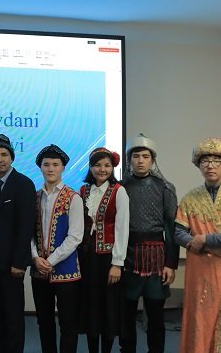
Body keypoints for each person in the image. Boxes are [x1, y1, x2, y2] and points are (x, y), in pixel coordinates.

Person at [174, 137, 221, 352]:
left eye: (216, 161)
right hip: (202, 268)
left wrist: (205, 239)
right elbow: (178, 233)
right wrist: (206, 246)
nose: (210, 165)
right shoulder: (190, 198)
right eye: (205, 161)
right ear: (199, 166)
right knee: (202, 316)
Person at [0, 134, 36, 353]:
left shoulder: (24, 184)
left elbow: (26, 226)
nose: (0, 159)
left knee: (13, 316)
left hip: (12, 265)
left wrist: (19, 262)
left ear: (12, 158)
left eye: (4, 154)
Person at [120, 134, 178, 353]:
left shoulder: (165, 188)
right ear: (129, 160)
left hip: (157, 256)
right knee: (126, 314)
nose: (140, 161)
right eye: (136, 156)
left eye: (145, 156)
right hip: (127, 255)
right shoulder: (120, 187)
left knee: (155, 314)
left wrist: (171, 263)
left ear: (153, 160)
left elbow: (171, 227)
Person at [30, 144, 83, 353]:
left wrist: (50, 261)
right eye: (46, 164)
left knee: (68, 324)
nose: (50, 168)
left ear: (63, 168)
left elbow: (75, 237)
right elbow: (29, 232)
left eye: (55, 164)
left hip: (66, 271)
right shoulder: (35, 197)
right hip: (38, 270)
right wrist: (35, 257)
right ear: (40, 167)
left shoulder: (73, 197)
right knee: (44, 321)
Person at [77, 148, 129, 353]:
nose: (102, 169)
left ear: (112, 167)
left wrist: (117, 263)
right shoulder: (83, 191)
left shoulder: (119, 191)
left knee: (108, 308)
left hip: (108, 259)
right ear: (91, 167)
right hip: (87, 257)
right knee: (91, 306)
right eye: (97, 165)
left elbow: (122, 228)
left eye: (107, 165)